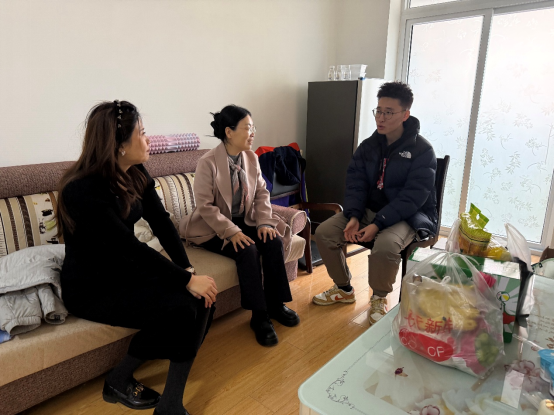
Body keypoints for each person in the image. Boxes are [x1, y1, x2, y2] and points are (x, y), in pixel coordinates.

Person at [57, 101, 218, 416]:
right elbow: (128, 246)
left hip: (124, 269)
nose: (148, 139)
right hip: (92, 287)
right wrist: (186, 280)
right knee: (183, 308)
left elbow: (161, 221)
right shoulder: (82, 191)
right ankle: (122, 381)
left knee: (202, 298)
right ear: (119, 145)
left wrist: (187, 268)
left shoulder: (134, 171)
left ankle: (167, 403)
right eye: (142, 133)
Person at [312, 82, 438, 326]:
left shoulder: (422, 151)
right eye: (378, 110)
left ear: (405, 114)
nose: (381, 118)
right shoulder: (368, 146)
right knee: (325, 232)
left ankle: (379, 298)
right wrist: (354, 216)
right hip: (368, 211)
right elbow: (355, 184)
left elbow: (413, 197)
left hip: (407, 215)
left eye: (388, 112)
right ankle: (344, 289)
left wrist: (378, 223)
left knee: (385, 245)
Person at [180, 105, 300, 347]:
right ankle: (259, 316)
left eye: (253, 127)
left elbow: (262, 193)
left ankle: (275, 304)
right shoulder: (207, 163)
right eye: (248, 128)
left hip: (243, 219)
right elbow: (205, 206)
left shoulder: (251, 158)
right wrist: (231, 232)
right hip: (212, 227)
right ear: (229, 132)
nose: (253, 133)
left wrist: (264, 222)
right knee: (247, 250)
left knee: (273, 241)